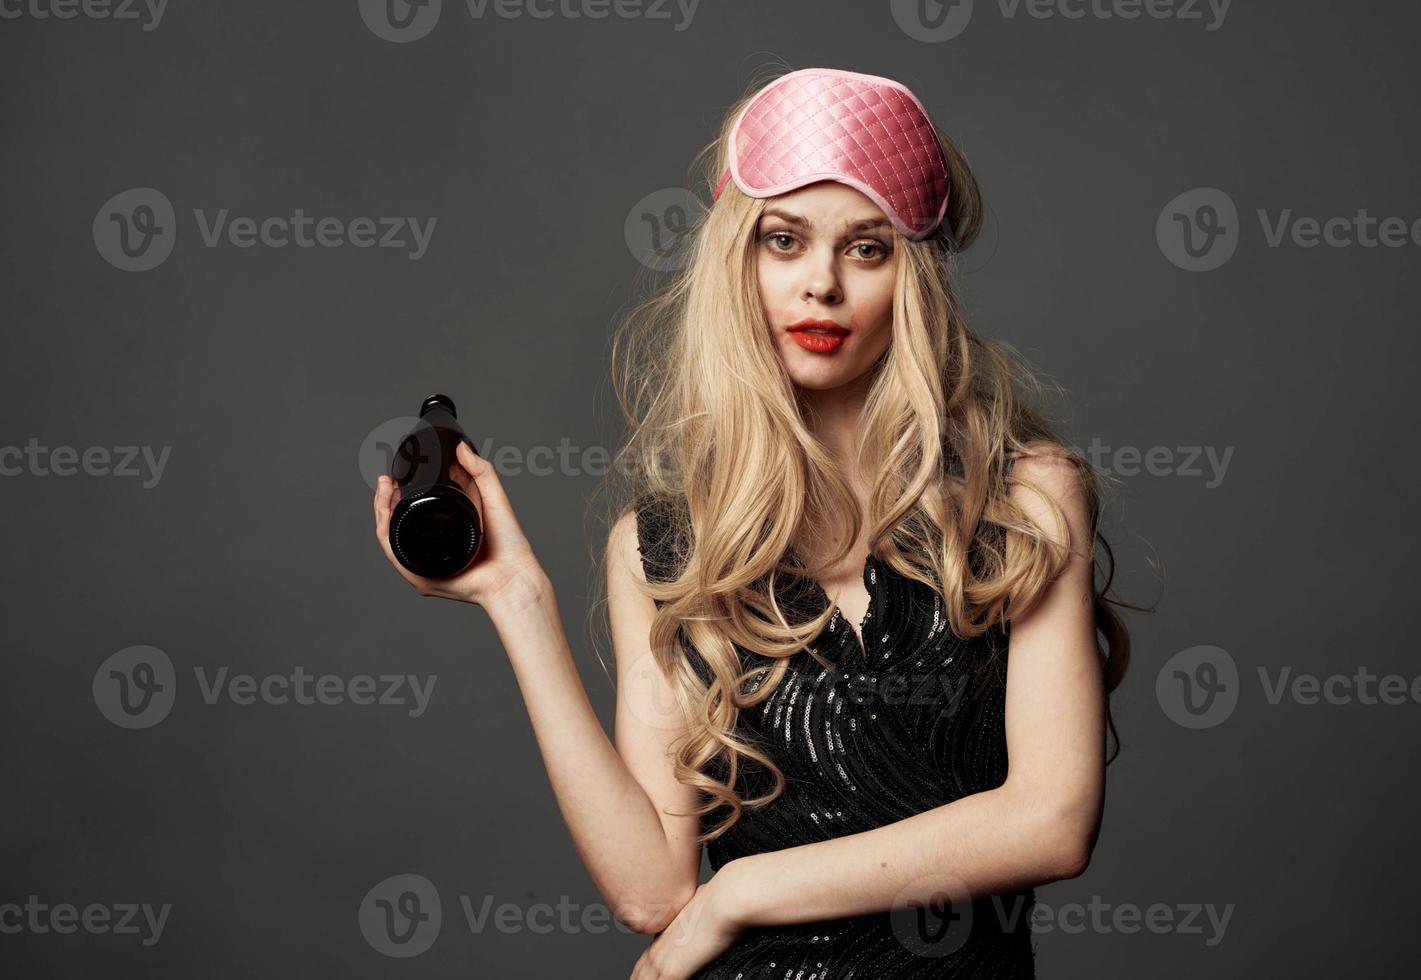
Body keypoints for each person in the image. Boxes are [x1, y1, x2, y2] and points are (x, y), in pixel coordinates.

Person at [373, 66, 1131, 979]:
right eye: (784, 240)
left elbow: (1050, 822)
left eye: (866, 248)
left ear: (913, 278)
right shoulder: (662, 550)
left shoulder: (1025, 501)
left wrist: (737, 892)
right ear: (741, 260)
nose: (820, 284)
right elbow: (651, 893)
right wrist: (514, 596)